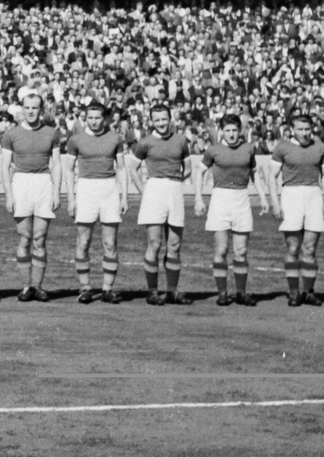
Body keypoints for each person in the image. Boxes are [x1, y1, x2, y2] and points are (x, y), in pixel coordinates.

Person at [0, 94, 65, 302]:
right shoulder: (11, 134)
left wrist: (56, 192)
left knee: (40, 238)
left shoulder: (52, 133)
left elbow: (56, 164)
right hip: (21, 184)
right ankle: (26, 286)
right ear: (22, 109)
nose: (30, 111)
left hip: (43, 183)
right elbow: (5, 166)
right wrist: (8, 195)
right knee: (25, 237)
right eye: (27, 107)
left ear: (41, 109)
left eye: (35, 108)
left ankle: (37, 286)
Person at [195, 113, 264, 307]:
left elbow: (254, 174)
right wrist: (199, 199)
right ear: (221, 131)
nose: (232, 134)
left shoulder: (248, 149)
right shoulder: (213, 150)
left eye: (235, 130)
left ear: (240, 131)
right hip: (220, 199)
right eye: (228, 130)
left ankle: (241, 293)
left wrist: (263, 197)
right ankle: (223, 293)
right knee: (222, 249)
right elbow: (199, 172)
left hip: (241, 198)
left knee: (241, 250)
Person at [63, 102, 129, 304]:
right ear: (85, 118)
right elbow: (68, 169)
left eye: (97, 118)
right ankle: (85, 288)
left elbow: (121, 168)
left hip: (109, 188)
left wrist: (124, 196)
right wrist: (71, 198)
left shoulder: (115, 138)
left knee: (110, 242)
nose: (93, 121)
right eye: (90, 118)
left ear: (105, 118)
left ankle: (108, 288)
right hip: (86, 188)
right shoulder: (76, 140)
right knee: (83, 241)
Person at [267, 112, 324, 307]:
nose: (304, 133)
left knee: (310, 248)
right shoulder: (282, 148)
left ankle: (308, 291)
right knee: (293, 248)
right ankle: (294, 291)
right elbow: (272, 177)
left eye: (307, 129)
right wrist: (275, 203)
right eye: (300, 129)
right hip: (291, 195)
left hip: (313, 195)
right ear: (292, 130)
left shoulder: (319, 147)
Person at [131, 105, 193, 305]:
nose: (161, 123)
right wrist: (144, 191)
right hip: (154, 190)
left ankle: (172, 291)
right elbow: (133, 168)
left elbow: (189, 167)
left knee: (174, 244)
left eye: (164, 119)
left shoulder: (181, 140)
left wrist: (175, 182)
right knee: (155, 244)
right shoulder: (145, 142)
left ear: (170, 118)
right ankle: (152, 291)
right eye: (157, 120)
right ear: (152, 121)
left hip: (174, 190)